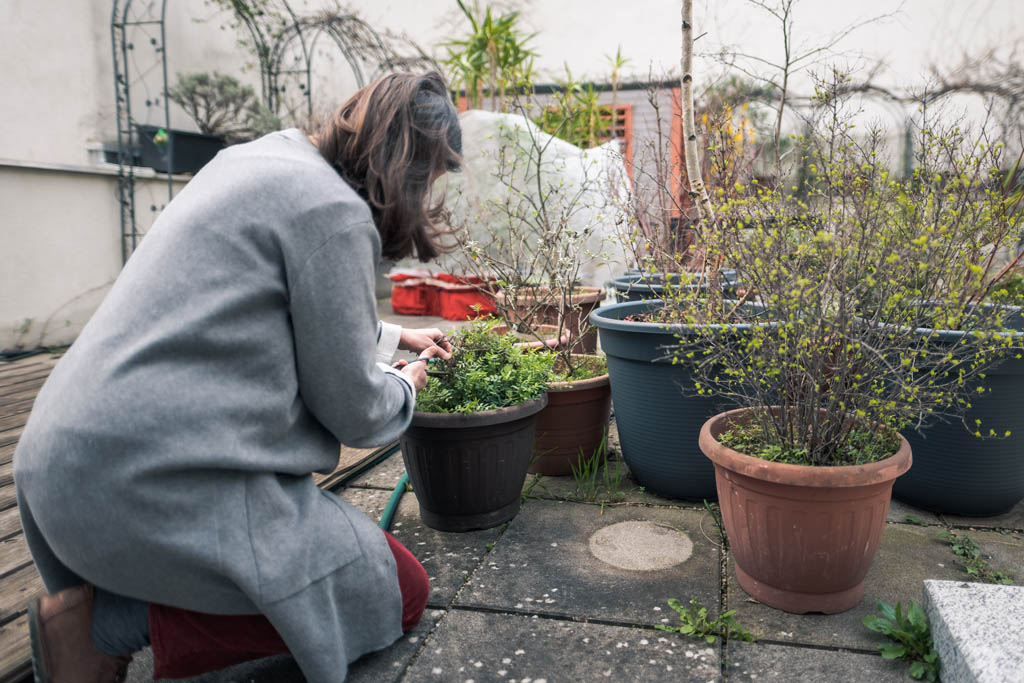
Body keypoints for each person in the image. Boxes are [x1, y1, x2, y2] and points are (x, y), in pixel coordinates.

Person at [14, 71, 461, 682]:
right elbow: (356, 409)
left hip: (59, 467)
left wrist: (388, 336)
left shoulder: (258, 159)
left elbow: (255, 305)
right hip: (151, 486)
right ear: (409, 168)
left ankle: (107, 608)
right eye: (430, 182)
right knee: (398, 590)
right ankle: (101, 629)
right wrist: (407, 382)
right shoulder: (333, 211)